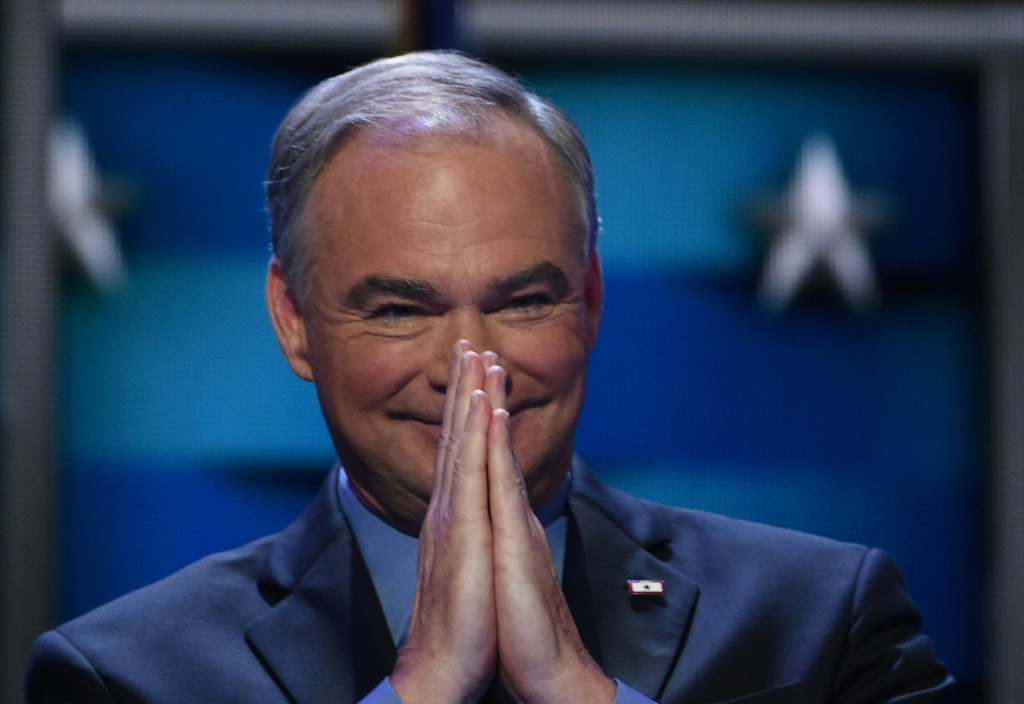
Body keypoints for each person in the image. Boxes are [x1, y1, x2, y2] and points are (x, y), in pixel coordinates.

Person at [26, 51, 953, 704]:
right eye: (400, 310)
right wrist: (418, 693)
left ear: (589, 298)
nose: (473, 370)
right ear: (295, 322)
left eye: (520, 302)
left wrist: (581, 696)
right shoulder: (126, 678)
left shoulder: (824, 624)